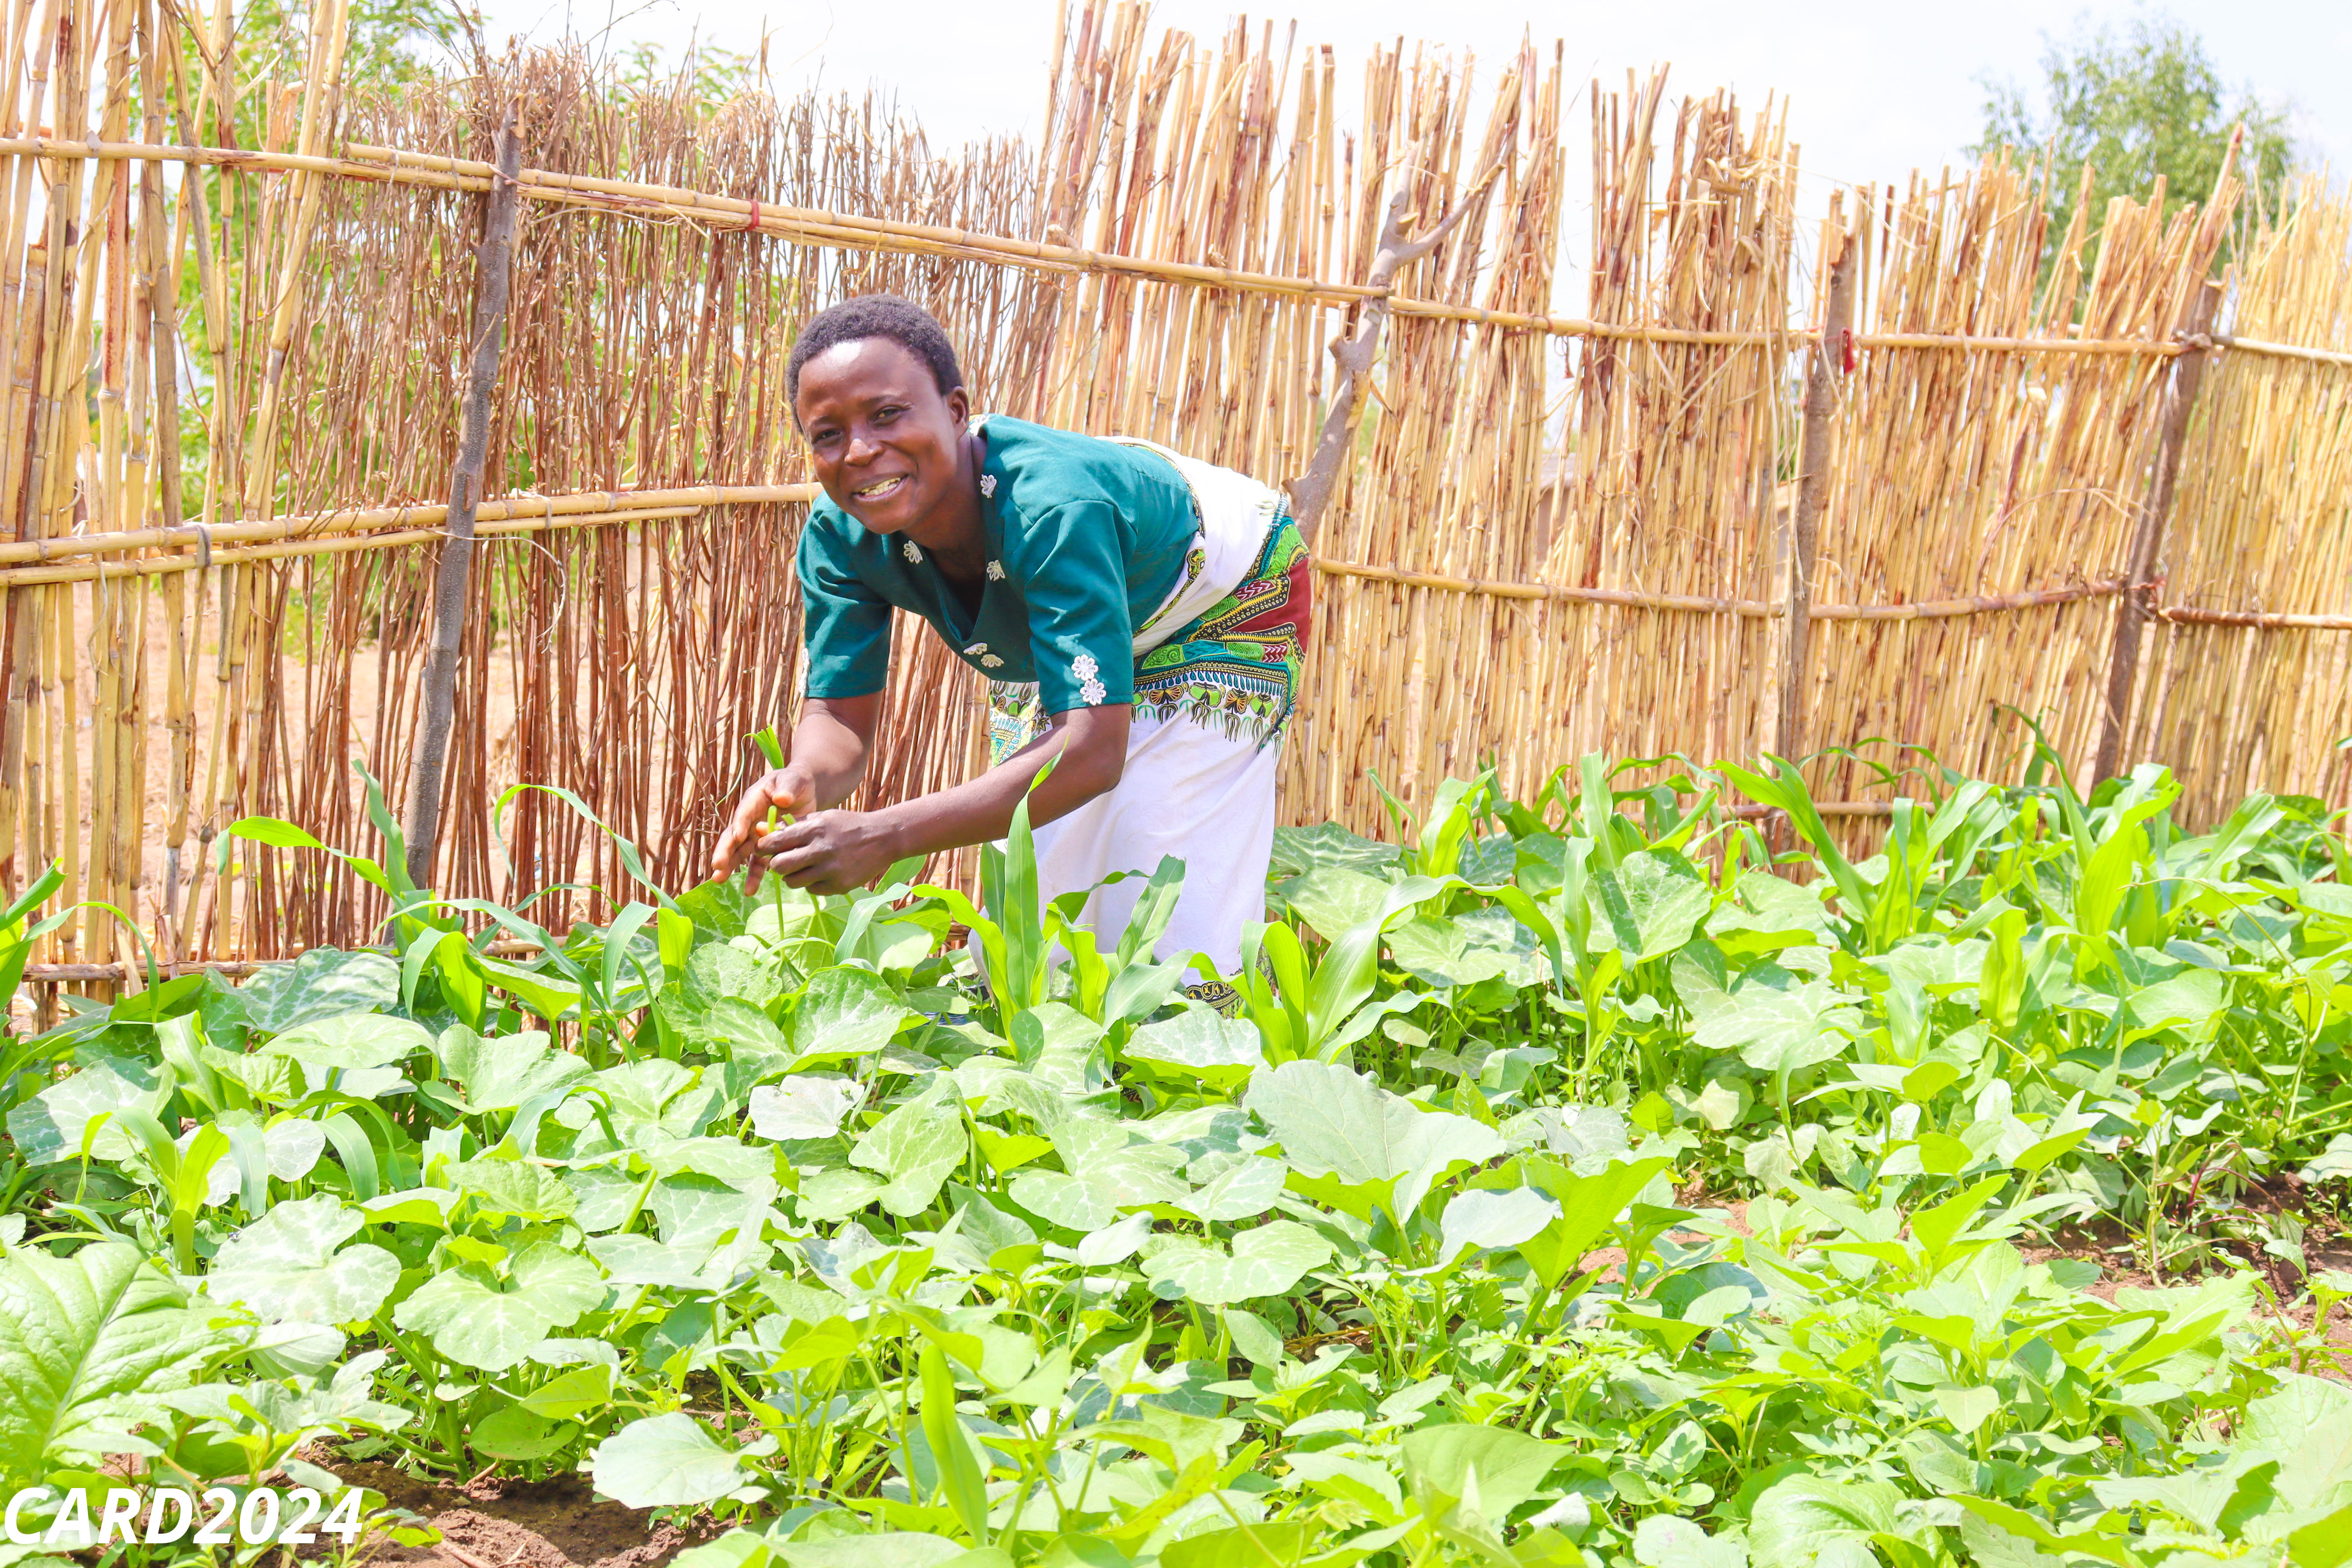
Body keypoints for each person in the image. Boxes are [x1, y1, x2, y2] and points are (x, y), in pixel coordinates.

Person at [708, 295, 1311, 975]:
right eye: (827, 435)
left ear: (958, 412)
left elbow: (1092, 753)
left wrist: (888, 836)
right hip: (1061, 608)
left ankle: (1197, 1070)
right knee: (1034, 880)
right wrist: (804, 775)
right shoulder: (839, 536)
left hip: (1218, 599)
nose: (860, 451)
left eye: (887, 415)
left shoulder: (1050, 510)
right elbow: (838, 716)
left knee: (1164, 873)